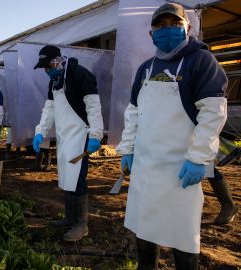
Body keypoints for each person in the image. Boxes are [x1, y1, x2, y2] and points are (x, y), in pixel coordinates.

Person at [116, 3, 228, 269]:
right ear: (151, 34)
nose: (167, 30)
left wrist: (199, 157)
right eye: (160, 25)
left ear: (188, 28)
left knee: (182, 235)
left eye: (175, 25)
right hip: (145, 167)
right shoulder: (145, 68)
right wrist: (128, 149)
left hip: (180, 169)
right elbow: (133, 112)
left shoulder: (200, 61)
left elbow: (212, 114)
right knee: (145, 228)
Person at [32, 45, 104, 242]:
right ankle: (70, 218)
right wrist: (41, 132)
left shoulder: (80, 75)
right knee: (66, 176)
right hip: (65, 137)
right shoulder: (54, 82)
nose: (47, 71)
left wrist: (96, 135)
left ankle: (81, 224)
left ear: (57, 61)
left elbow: (93, 106)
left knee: (77, 178)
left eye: (48, 66)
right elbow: (49, 110)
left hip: (81, 136)